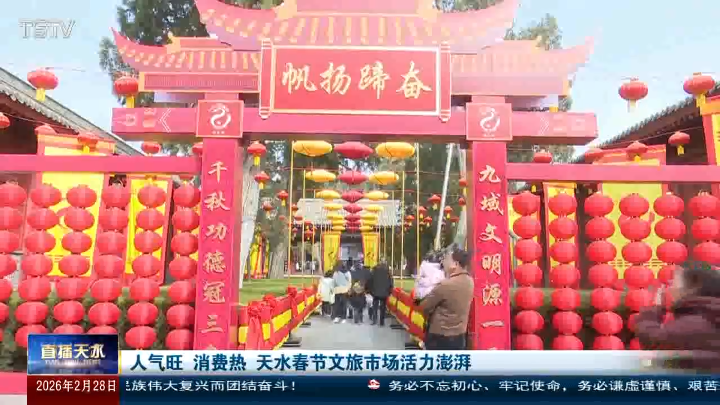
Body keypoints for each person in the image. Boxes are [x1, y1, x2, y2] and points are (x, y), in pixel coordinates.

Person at [635, 263, 720, 372]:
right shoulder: (709, 314)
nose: (670, 287)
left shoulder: (692, 324)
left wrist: (654, 310)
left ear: (692, 289)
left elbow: (652, 340)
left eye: (674, 282)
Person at [420, 246, 473, 350]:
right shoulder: (470, 282)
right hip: (460, 336)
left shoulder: (445, 285)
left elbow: (424, 306)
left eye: (446, 259)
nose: (443, 262)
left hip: (440, 337)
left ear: (455, 264)